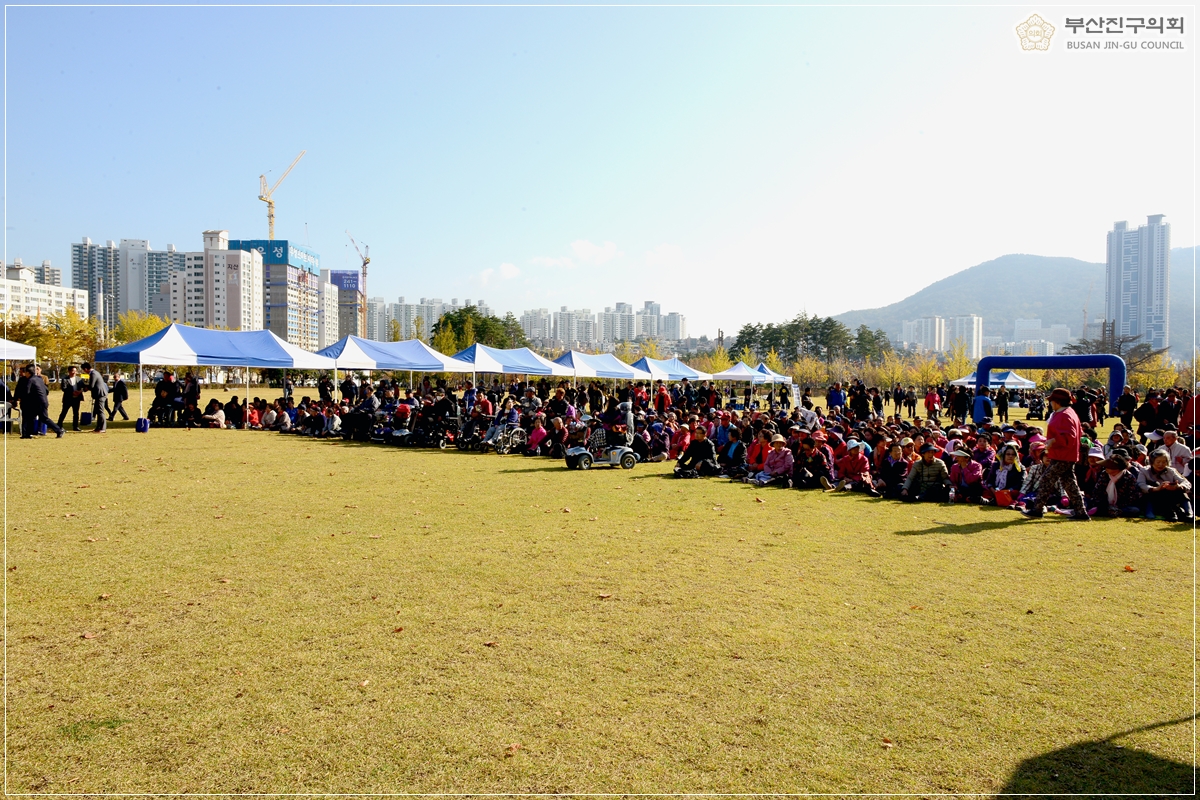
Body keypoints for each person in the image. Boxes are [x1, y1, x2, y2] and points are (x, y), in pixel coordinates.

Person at [1022, 388, 1089, 521]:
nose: (1050, 403)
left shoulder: (1064, 415)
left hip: (1062, 455)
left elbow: (1070, 436)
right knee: (1070, 484)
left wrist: (1053, 441)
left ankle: (1037, 509)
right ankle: (1081, 512)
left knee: (1047, 480)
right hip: (1065, 455)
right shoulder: (1068, 412)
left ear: (1057, 401)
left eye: (1051, 400)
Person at [1138, 448, 1193, 521]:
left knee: (1182, 492)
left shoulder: (1171, 471)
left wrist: (1178, 487)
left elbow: (1186, 482)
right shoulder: (1144, 471)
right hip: (1154, 497)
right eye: (1158, 462)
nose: (1161, 464)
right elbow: (1141, 484)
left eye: (1164, 462)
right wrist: (1156, 488)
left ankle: (1189, 513)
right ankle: (1171, 513)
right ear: (1152, 461)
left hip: (1171, 496)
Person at [17, 364, 64, 438]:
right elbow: (46, 390)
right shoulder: (39, 378)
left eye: (25, 372)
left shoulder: (30, 380)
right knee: (31, 417)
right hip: (41, 401)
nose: (24, 374)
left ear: (28, 373)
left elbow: (27, 392)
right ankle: (27, 434)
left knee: (44, 418)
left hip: (39, 402)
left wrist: (19, 398)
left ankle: (59, 430)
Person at [79, 362, 108, 433]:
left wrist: (83, 389)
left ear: (85, 369)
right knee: (98, 411)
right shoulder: (95, 372)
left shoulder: (93, 374)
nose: (84, 371)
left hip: (100, 394)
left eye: (83, 370)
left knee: (100, 411)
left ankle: (103, 428)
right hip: (99, 394)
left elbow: (91, 385)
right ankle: (98, 427)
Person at [57, 365, 83, 431]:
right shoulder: (65, 379)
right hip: (68, 399)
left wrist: (79, 391)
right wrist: (72, 392)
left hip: (77, 399)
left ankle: (75, 426)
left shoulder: (79, 379)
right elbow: (64, 388)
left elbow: (82, 387)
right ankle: (59, 425)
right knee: (64, 412)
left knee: (76, 413)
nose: (74, 372)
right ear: (69, 371)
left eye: (75, 371)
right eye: (72, 371)